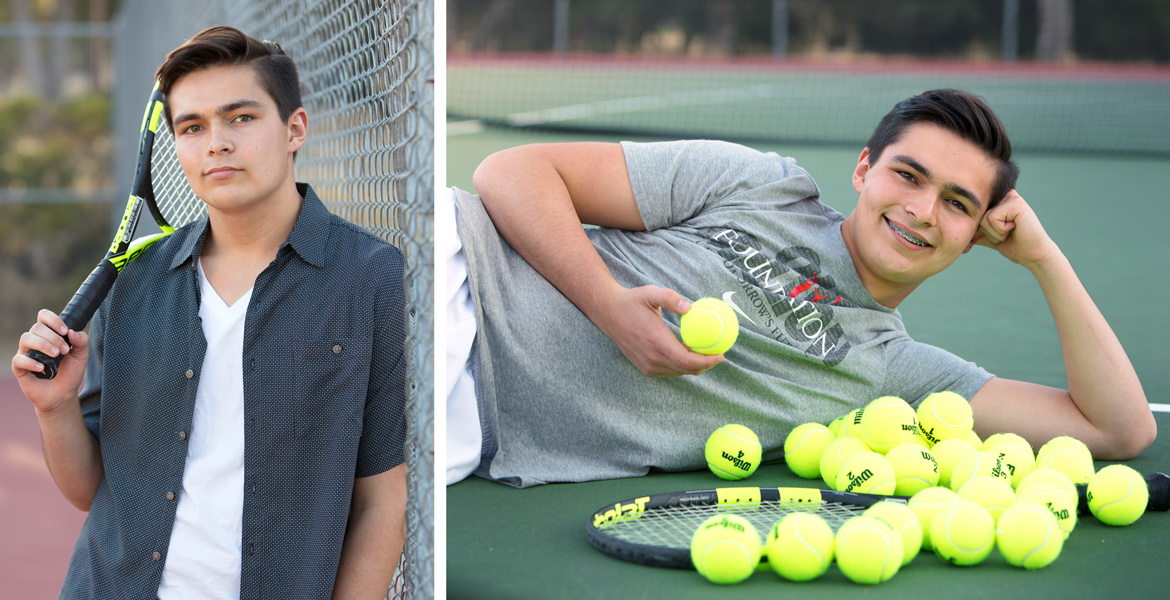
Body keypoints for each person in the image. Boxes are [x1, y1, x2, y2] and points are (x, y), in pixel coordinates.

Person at [444, 88, 1155, 489]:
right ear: (864, 170)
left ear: (976, 235)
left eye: (957, 204)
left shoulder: (896, 375)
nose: (920, 211)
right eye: (907, 176)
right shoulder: (759, 184)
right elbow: (510, 171)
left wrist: (1044, 259)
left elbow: (1120, 429)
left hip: (469, 423)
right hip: (455, 265)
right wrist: (609, 308)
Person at [11, 26, 407, 599]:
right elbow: (95, 489)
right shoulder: (135, 284)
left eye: (240, 117)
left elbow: (382, 501)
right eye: (192, 127)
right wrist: (55, 408)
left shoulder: (368, 276)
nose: (215, 142)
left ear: (294, 129)